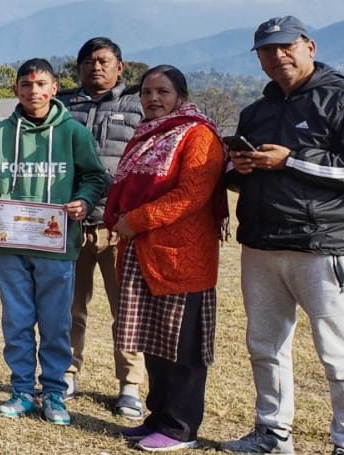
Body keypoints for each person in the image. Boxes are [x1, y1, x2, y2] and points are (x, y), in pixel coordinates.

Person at [220, 17, 344, 455]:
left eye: (285, 47)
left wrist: (291, 160)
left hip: (322, 245)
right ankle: (272, 433)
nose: (277, 56)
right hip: (261, 242)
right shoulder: (256, 111)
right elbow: (240, 175)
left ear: (309, 47)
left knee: (338, 353)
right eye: (266, 50)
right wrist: (239, 168)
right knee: (264, 346)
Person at [104, 66, 227, 452]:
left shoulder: (198, 134)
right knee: (154, 342)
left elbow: (192, 195)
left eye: (163, 92)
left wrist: (135, 220)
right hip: (143, 253)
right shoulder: (147, 134)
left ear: (181, 96)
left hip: (181, 258)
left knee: (182, 346)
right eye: (147, 92)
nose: (153, 99)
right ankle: (157, 417)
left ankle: (180, 428)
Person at [0, 58, 108, 426]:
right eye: (26, 84)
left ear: (54, 88)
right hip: (12, 244)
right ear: (16, 90)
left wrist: (83, 201)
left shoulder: (73, 133)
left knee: (55, 323)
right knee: (17, 321)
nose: (33, 91)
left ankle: (53, 392)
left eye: (40, 85)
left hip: (57, 245)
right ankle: (22, 391)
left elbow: (95, 177)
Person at [59, 36, 147, 417]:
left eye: (103, 61)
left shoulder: (139, 105)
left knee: (126, 310)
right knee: (68, 307)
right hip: (69, 225)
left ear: (120, 67)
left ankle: (130, 385)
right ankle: (66, 373)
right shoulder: (63, 105)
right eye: (87, 62)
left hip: (119, 227)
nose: (95, 67)